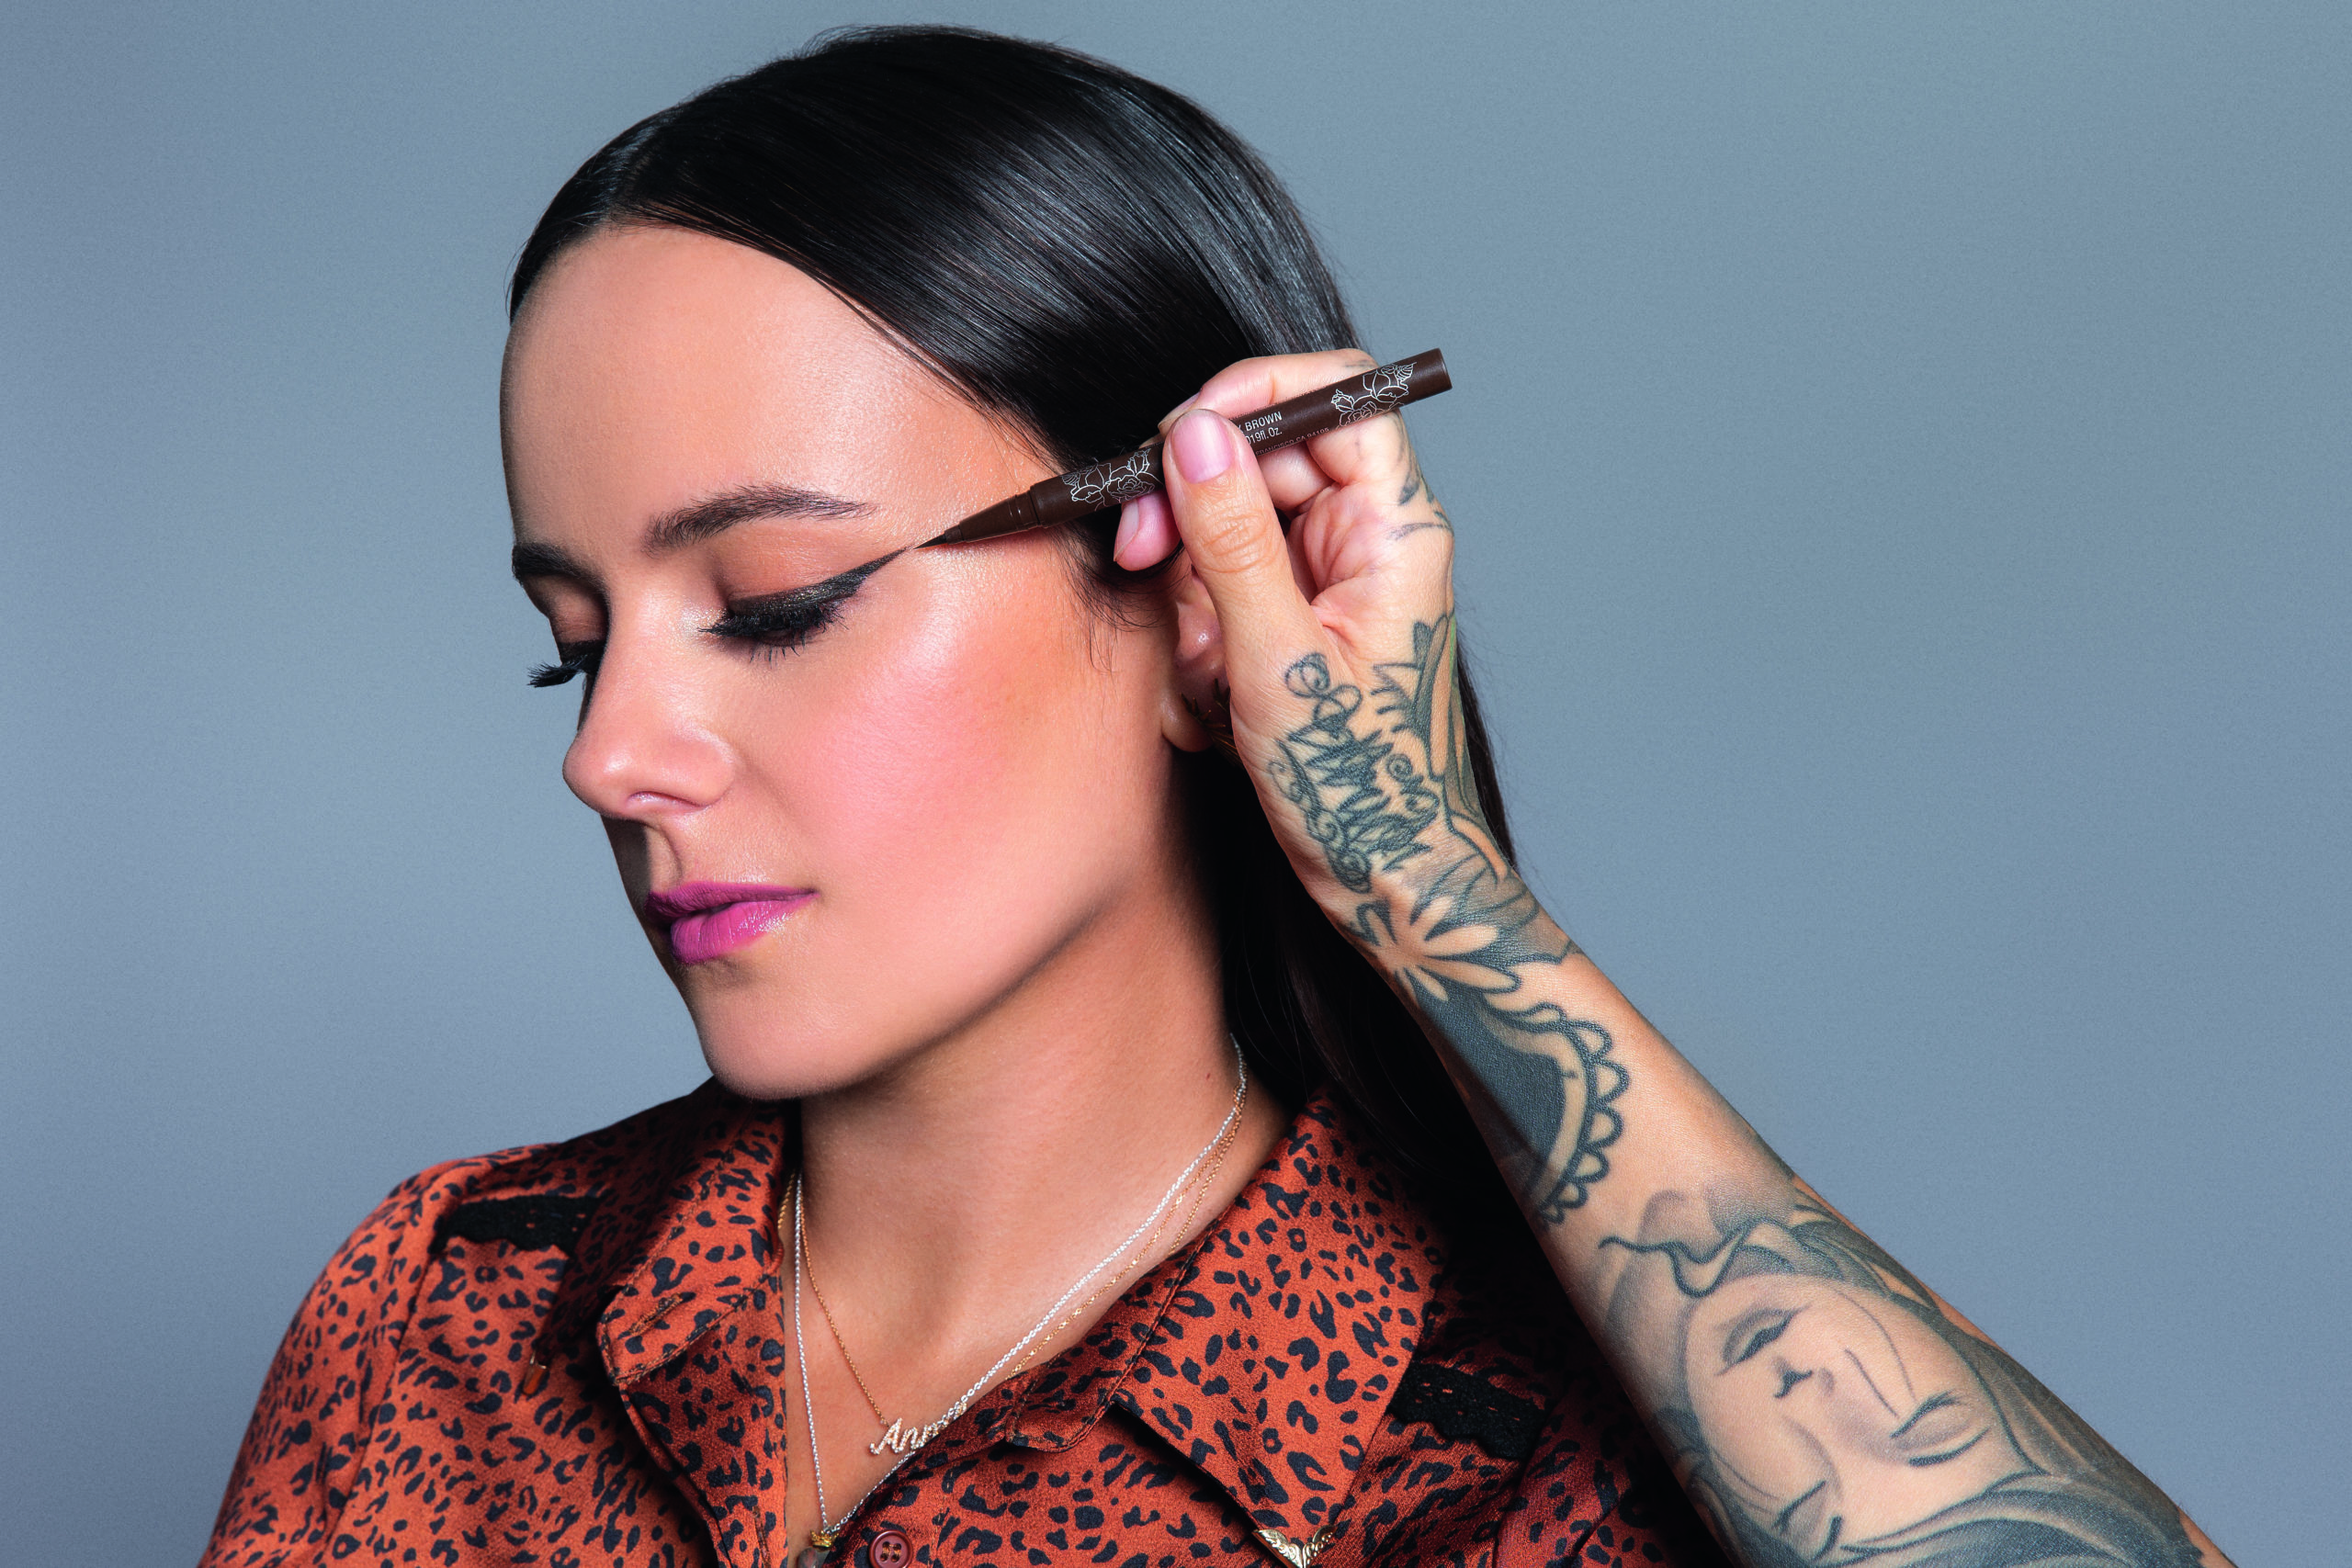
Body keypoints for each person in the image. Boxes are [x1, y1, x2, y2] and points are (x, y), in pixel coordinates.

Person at [200, 26, 2231, 1568]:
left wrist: (1418, 867)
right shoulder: (452, 1309)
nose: (607, 752)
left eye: (777, 602)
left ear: (1194, 597)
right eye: (572, 640)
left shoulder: (1512, 1463)